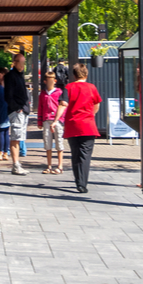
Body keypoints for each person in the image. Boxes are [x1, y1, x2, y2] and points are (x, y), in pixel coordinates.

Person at [57, 62, 102, 193]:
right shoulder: (92, 87)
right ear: (86, 74)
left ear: (74, 74)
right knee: (85, 155)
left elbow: (63, 104)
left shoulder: (68, 87)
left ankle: (78, 181)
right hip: (88, 125)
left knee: (75, 154)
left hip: (72, 125)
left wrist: (56, 120)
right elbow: (97, 104)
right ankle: (82, 183)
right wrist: (91, 114)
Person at [4, 53, 31, 176]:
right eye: (21, 62)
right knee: (15, 137)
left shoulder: (19, 75)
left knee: (19, 137)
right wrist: (17, 108)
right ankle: (15, 164)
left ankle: (17, 164)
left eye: (24, 62)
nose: (23, 65)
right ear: (15, 62)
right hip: (17, 111)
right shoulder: (11, 76)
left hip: (22, 110)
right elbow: (8, 95)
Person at [39, 71, 65, 174]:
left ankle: (60, 165)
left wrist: (61, 119)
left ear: (55, 81)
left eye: (52, 81)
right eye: (48, 81)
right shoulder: (43, 94)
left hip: (57, 120)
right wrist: (40, 121)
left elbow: (63, 106)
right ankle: (49, 165)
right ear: (45, 81)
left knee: (59, 142)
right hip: (46, 120)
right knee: (47, 143)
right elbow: (40, 108)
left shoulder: (59, 92)